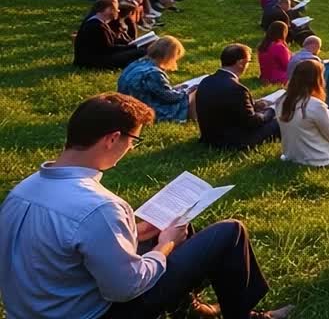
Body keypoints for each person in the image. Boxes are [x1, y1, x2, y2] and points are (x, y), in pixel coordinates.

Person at [0, 93, 291, 319]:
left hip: (35, 308)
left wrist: (137, 233)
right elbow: (125, 289)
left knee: (175, 225)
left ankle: (186, 305)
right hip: (96, 313)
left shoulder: (23, 190)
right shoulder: (98, 206)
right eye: (133, 140)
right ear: (113, 138)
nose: (131, 148)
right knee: (231, 232)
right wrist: (164, 246)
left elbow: (61, 247)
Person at [277, 59, 329, 167]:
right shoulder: (315, 105)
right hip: (316, 157)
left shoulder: (281, 100)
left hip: (291, 154)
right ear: (316, 80)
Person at [197, 44, 280, 150]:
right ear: (240, 63)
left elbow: (228, 107)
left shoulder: (206, 81)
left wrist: (253, 104)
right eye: (248, 61)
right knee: (280, 120)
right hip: (234, 142)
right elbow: (252, 122)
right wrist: (271, 110)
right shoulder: (237, 89)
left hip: (209, 138)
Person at [116, 37, 195, 123]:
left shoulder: (137, 63)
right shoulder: (153, 73)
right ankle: (195, 118)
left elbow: (158, 91)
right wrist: (187, 91)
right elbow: (169, 97)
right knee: (196, 93)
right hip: (147, 110)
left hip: (128, 105)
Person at [75, 0, 147, 69]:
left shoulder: (99, 22)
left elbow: (111, 43)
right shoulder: (96, 26)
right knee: (141, 52)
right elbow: (109, 49)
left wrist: (132, 45)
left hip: (97, 58)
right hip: (94, 62)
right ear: (108, 9)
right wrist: (133, 46)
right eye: (116, 8)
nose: (118, 11)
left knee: (139, 51)